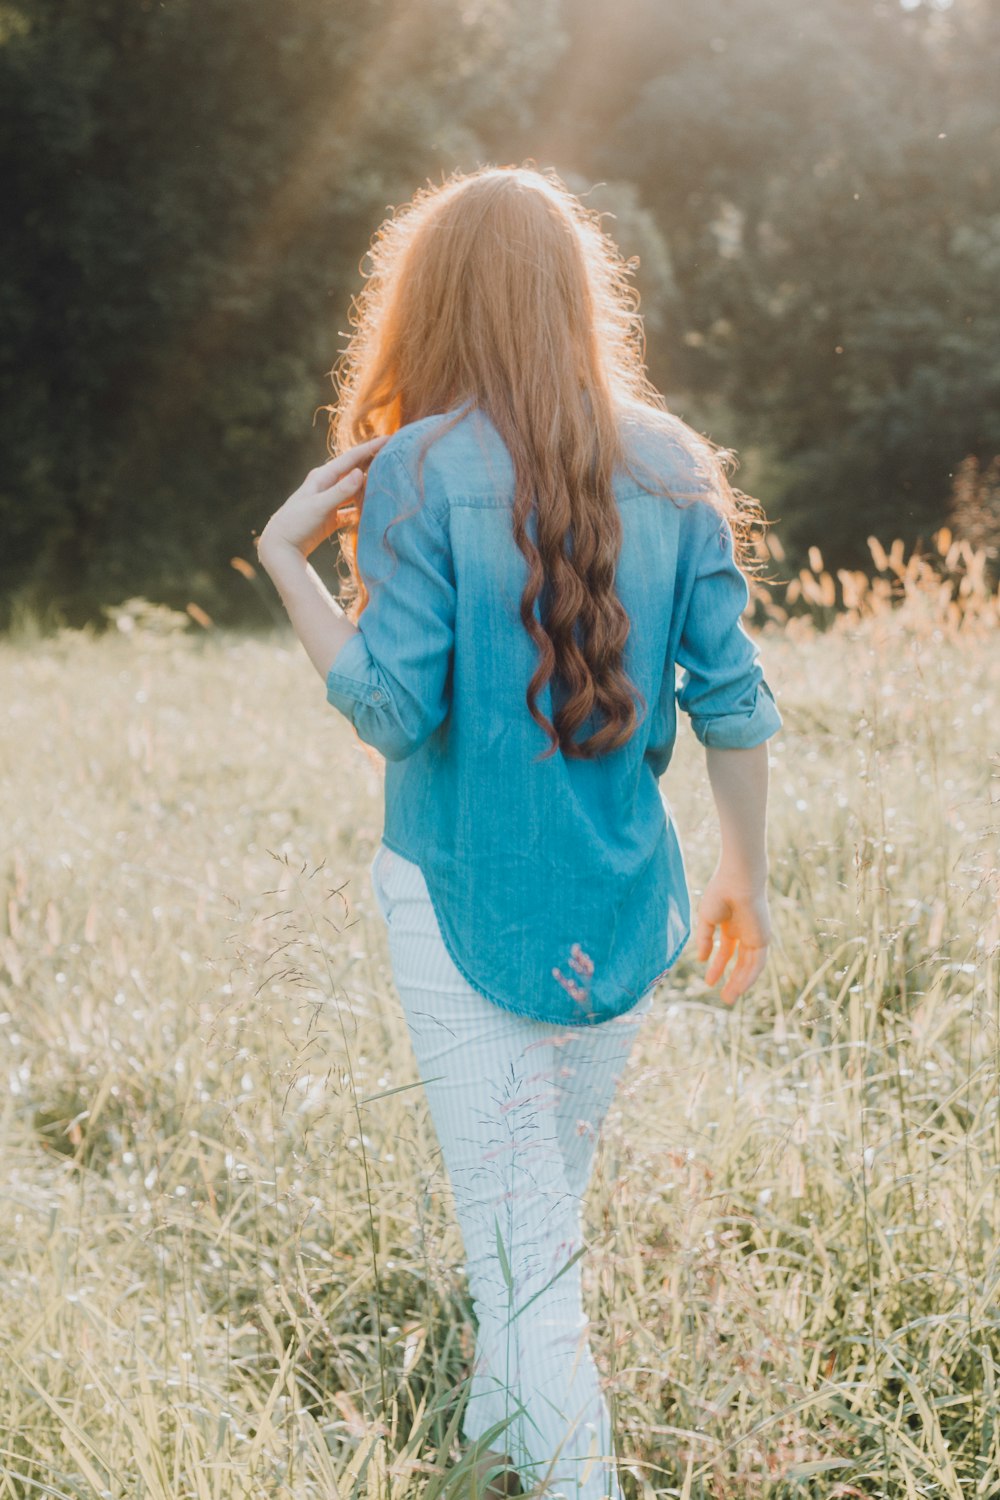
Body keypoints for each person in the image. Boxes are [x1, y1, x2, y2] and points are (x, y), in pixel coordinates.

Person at [256, 164, 783, 1500]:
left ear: (430, 301)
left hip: (459, 905)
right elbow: (733, 704)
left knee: (530, 1263)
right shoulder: (675, 464)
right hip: (627, 908)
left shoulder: (426, 468)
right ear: (574, 293)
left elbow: (384, 706)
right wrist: (744, 879)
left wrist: (282, 561)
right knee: (532, 1225)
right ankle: (493, 1463)